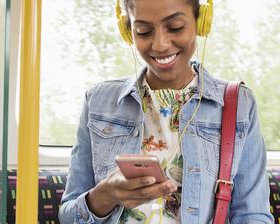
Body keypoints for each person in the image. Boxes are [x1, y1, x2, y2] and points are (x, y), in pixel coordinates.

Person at [58, 0, 274, 223]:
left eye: (175, 27)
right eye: (143, 31)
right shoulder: (97, 101)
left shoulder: (239, 104)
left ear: (201, 22)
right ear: (127, 30)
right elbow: (68, 216)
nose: (160, 45)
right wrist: (106, 194)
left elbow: (252, 215)